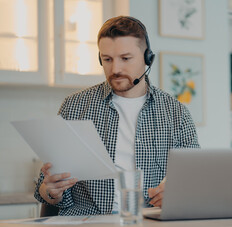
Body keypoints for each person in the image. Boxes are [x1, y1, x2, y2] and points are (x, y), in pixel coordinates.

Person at [34, 16, 200, 216]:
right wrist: (50, 192)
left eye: (125, 58)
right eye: (107, 59)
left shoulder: (176, 113)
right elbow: (50, 188)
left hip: (149, 226)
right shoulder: (74, 107)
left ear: (148, 58)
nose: (115, 69)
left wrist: (179, 193)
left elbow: (193, 182)